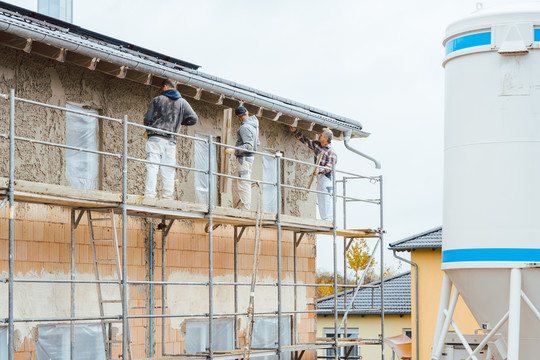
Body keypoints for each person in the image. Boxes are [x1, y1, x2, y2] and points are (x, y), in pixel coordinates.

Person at [144, 79, 198, 199]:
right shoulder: (182, 102)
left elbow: (147, 119)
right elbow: (193, 118)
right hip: (170, 141)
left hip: (155, 138)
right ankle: (167, 197)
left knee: (152, 167)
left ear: (165, 86)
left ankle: (149, 195)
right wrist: (178, 122)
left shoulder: (157, 100)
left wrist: (148, 130)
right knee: (168, 170)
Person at [289, 126, 337, 221]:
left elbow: (329, 167)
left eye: (321, 135)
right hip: (319, 176)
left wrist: (320, 169)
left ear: (326, 139)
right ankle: (324, 218)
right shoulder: (317, 145)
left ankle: (329, 219)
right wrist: (295, 132)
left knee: (326, 198)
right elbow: (306, 141)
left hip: (326, 178)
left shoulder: (332, 152)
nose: (319, 136)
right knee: (320, 197)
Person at [225, 106, 260, 211]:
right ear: (247, 112)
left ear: (237, 117)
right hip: (249, 159)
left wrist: (234, 150)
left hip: (244, 159)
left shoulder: (244, 128)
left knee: (243, 183)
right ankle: (237, 206)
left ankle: (245, 208)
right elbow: (257, 143)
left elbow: (249, 146)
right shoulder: (254, 126)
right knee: (236, 182)